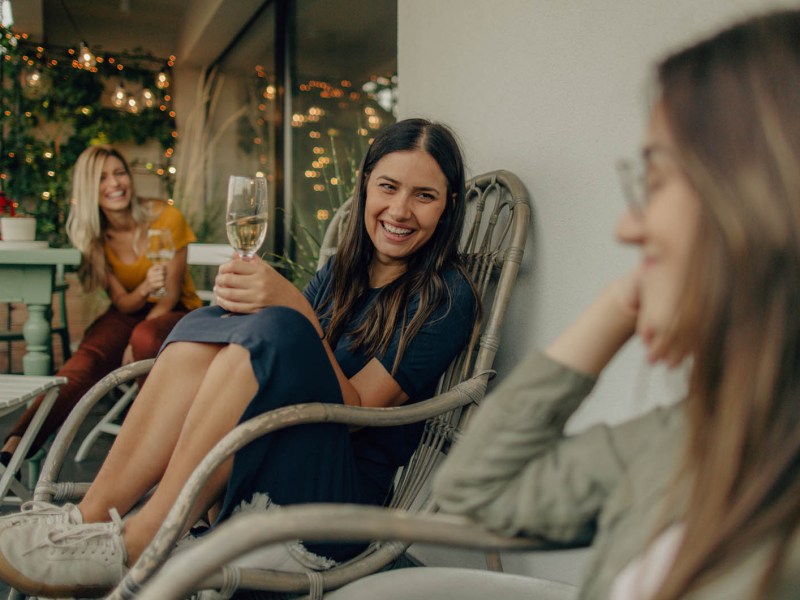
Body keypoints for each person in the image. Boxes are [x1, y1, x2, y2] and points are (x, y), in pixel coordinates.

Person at [0, 118, 479, 597]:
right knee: (207, 323)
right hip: (273, 450)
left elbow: (361, 414)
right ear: (365, 186)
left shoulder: (446, 296)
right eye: (388, 187)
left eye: (424, 196)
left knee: (279, 325)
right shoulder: (341, 272)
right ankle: (89, 520)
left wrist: (295, 310)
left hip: (338, 509)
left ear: (448, 206)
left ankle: (143, 539)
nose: (400, 209)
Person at [432, 9, 800, 600]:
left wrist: (623, 305)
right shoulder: (690, 439)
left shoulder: (446, 297)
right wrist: (622, 304)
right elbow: (475, 490)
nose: (629, 227)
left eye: (654, 185)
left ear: (764, 195)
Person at [0, 145, 201, 462]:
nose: (114, 184)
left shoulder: (167, 218)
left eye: (119, 173)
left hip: (176, 311)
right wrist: (145, 285)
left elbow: (171, 295)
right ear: (88, 189)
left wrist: (136, 340)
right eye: (102, 178)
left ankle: (154, 450)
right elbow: (122, 302)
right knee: (85, 361)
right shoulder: (95, 238)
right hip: (130, 311)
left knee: (145, 337)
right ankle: (15, 445)